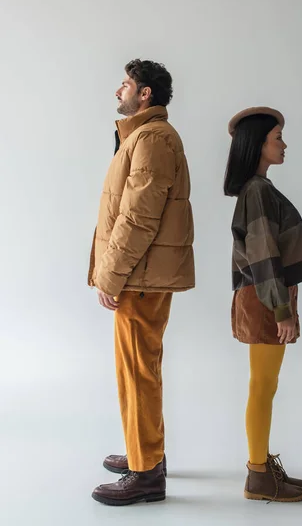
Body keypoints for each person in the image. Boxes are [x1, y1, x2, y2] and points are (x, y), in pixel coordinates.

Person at [88, 59, 195, 506]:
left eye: (127, 84)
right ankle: (145, 452)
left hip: (139, 276)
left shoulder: (151, 139)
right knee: (138, 369)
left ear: (146, 93)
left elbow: (137, 218)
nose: (120, 91)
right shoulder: (143, 136)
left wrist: (109, 276)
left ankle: (147, 472)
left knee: (137, 372)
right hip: (142, 274)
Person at [224, 107, 302, 503]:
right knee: (262, 386)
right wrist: (282, 311)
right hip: (264, 298)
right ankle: (257, 475)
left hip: (264, 295)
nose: (284, 144)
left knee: (265, 385)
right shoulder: (258, 192)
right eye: (277, 137)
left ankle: (261, 468)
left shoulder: (259, 188)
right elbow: (263, 254)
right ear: (257, 144)